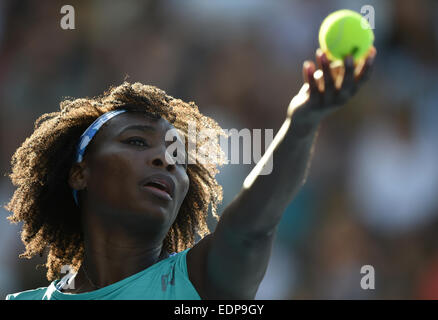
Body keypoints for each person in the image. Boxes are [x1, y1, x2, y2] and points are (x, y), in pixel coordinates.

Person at [5, 47, 376, 300]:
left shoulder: (202, 284)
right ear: (79, 174)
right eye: (136, 142)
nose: (165, 161)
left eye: (177, 156)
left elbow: (251, 228)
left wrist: (303, 119)